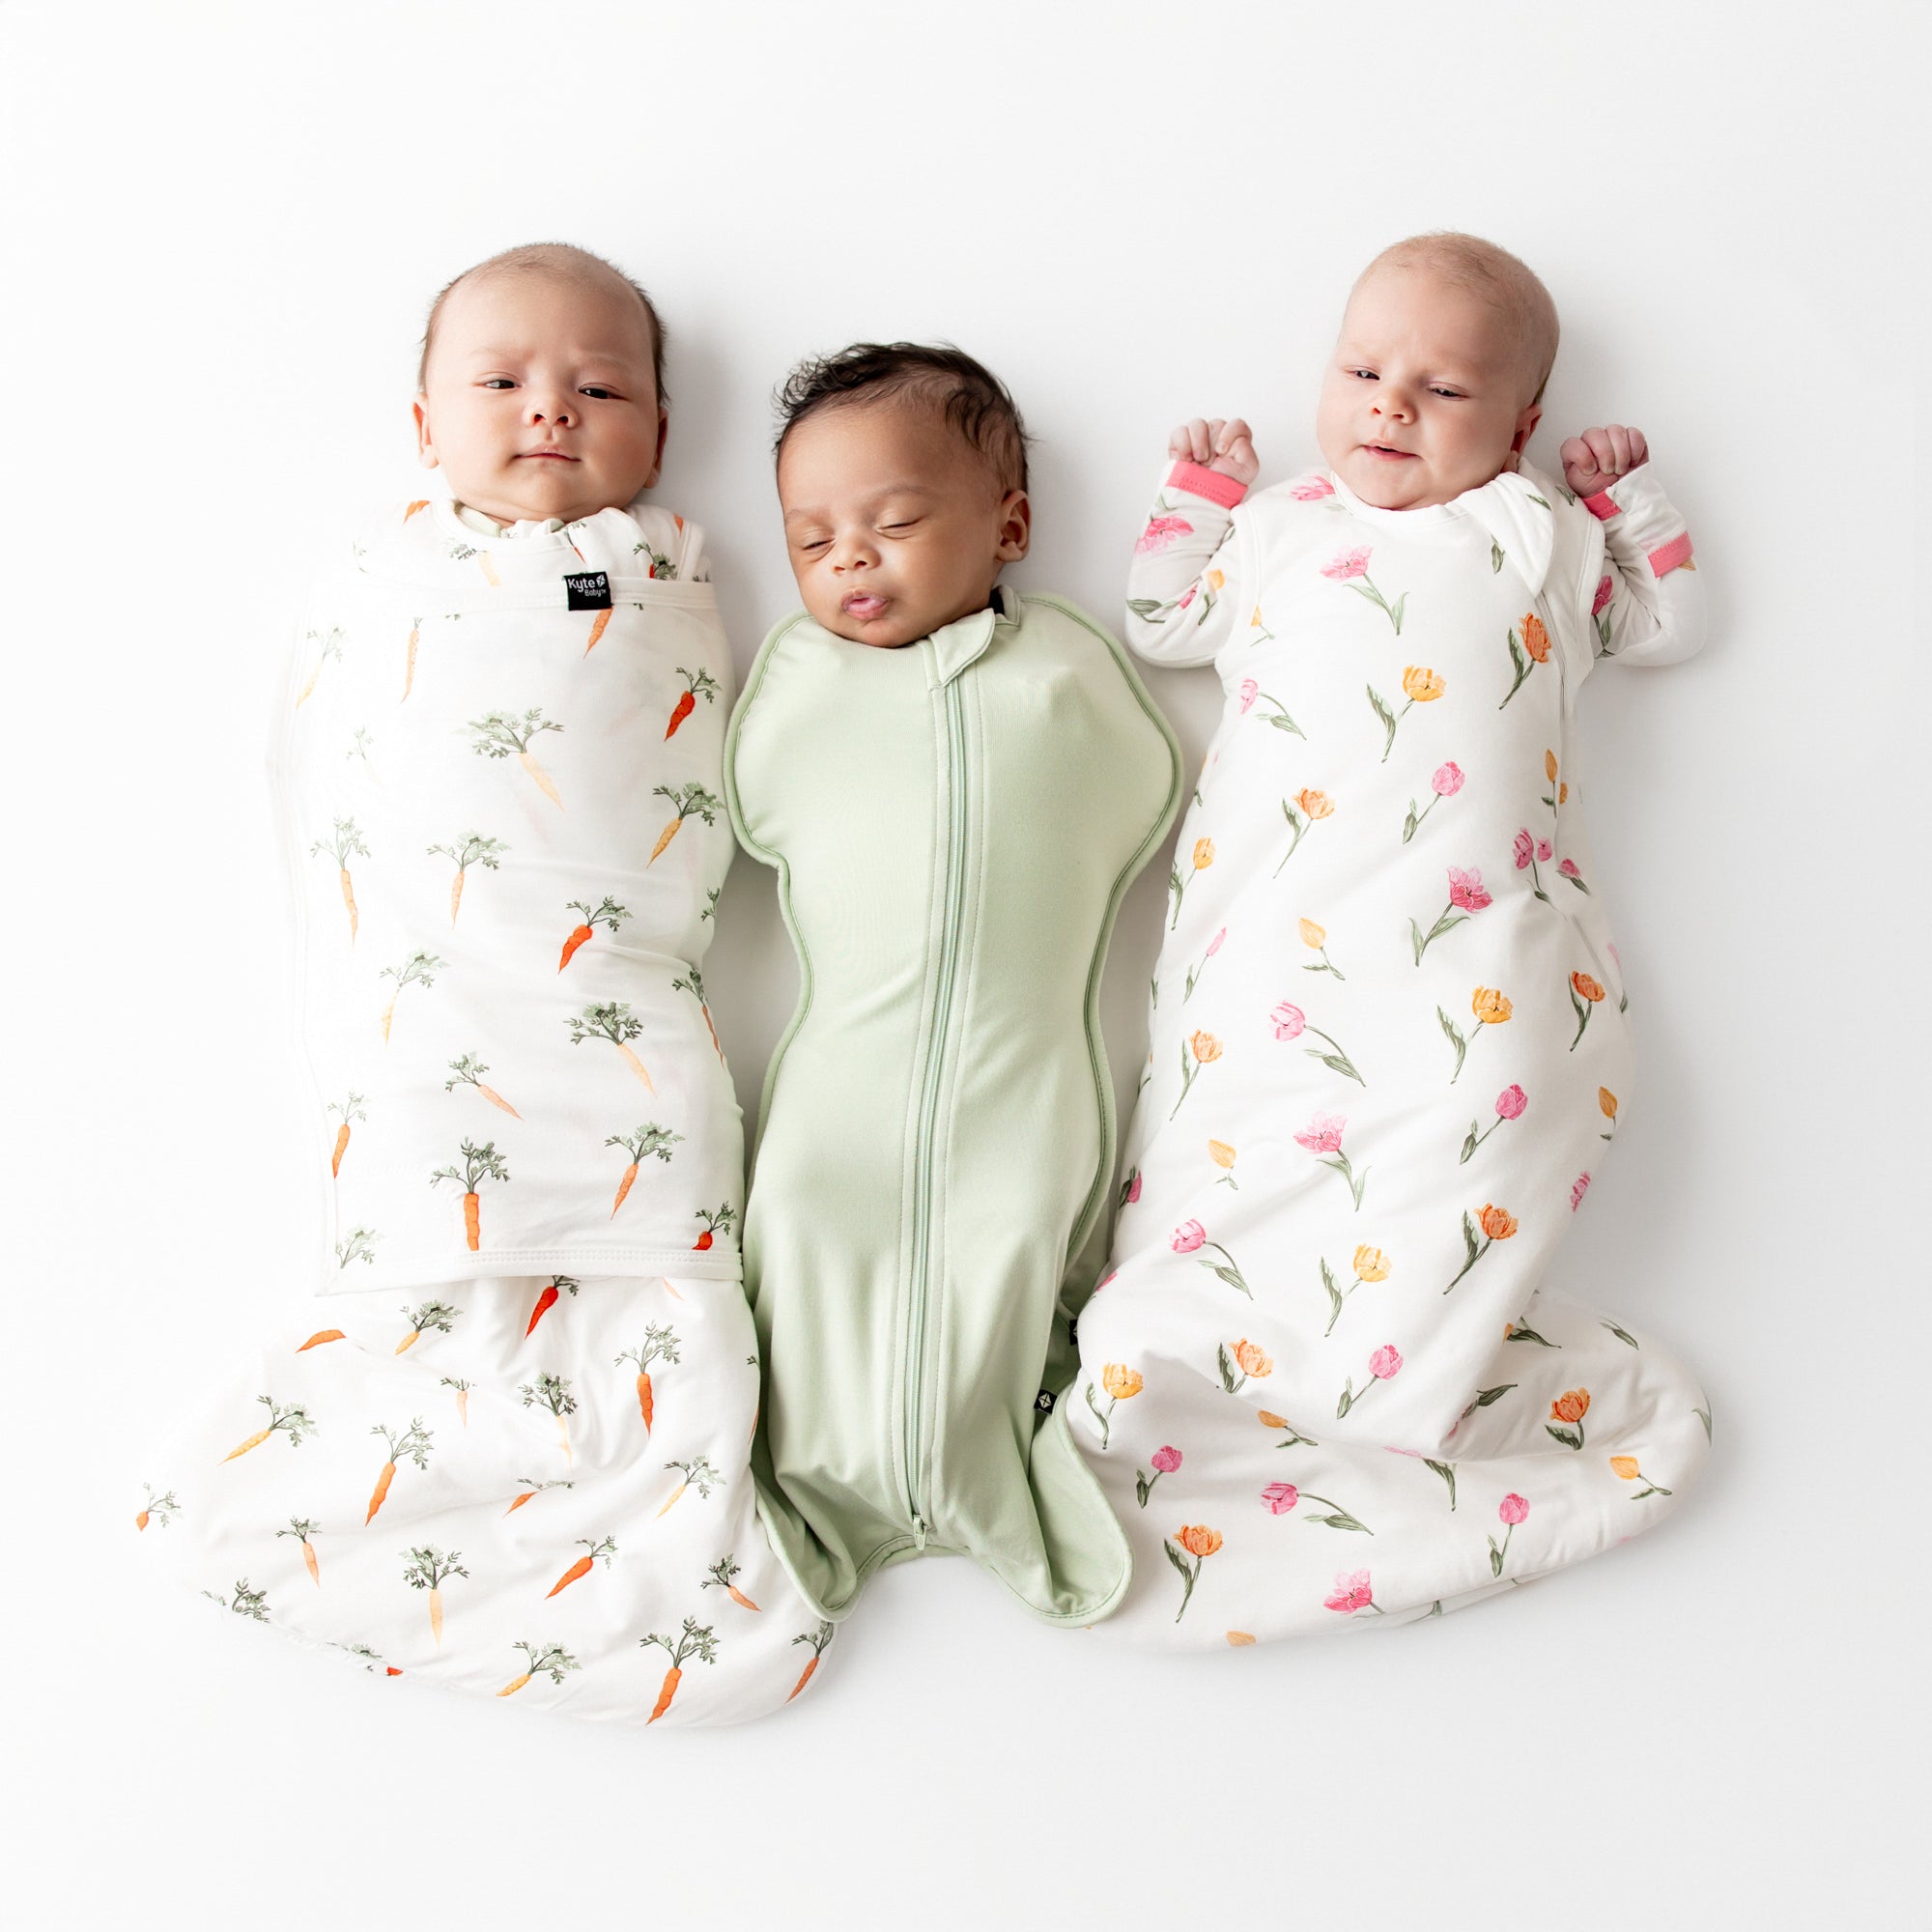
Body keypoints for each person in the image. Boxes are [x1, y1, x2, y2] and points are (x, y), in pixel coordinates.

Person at [135, 242, 831, 1724]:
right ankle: (446, 1520)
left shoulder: (666, 576)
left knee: (651, 1276)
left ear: (658, 423)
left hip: (621, 1002)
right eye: (501, 380)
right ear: (423, 425)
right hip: (436, 1003)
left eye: (601, 386)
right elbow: (332, 770)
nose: (550, 412)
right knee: (434, 1273)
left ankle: (643, 1527)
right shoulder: (385, 583)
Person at [1070, 233, 1713, 1644]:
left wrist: (1630, 498)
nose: (1390, 410)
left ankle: (1400, 1377)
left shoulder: (1538, 536)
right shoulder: (1285, 526)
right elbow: (1164, 618)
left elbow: (1665, 619)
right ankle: (1199, 1368)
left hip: (1476, 946)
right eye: (1363, 372)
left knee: (1481, 1114)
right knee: (1232, 1141)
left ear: (1521, 427)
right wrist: (1196, 497)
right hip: (1281, 941)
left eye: (1442, 391)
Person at [724, 344, 1181, 1624]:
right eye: (811, 539)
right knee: (807, 1239)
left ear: (1009, 525)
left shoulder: (1062, 675)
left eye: (894, 520)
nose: (849, 558)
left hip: (1021, 1073)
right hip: (837, 1088)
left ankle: (1001, 1472)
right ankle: (811, 1494)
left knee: (1019, 1240)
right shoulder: (800, 689)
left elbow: (1148, 788)